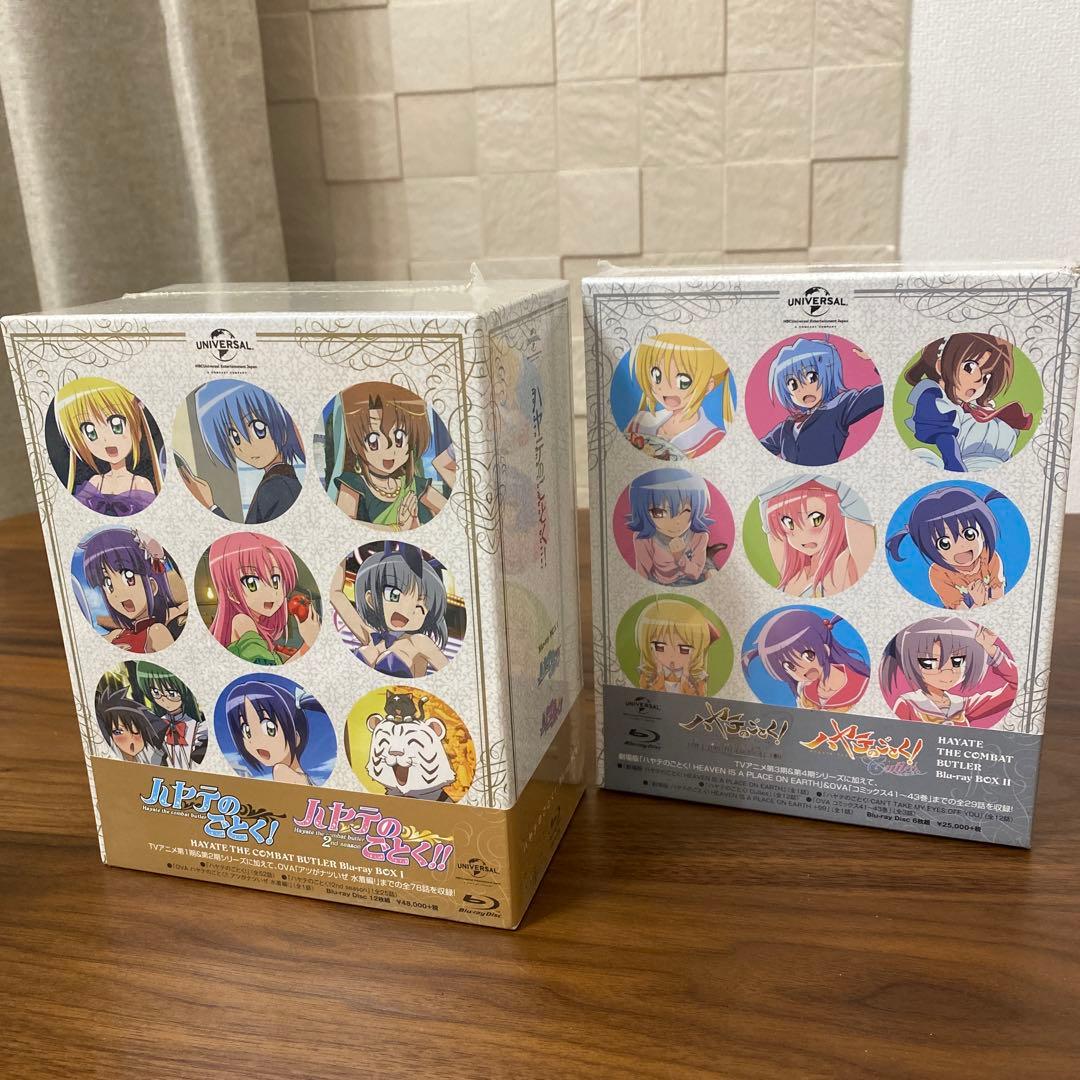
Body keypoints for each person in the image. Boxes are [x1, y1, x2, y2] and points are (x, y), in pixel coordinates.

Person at [904, 333, 1032, 471]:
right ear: (941, 366)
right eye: (969, 368)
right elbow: (945, 440)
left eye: (986, 377)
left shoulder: (975, 408)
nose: (978, 382)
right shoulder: (935, 400)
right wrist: (956, 468)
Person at [759, 337, 883, 466]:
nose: (803, 389)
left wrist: (875, 362)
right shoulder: (786, 427)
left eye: (811, 377)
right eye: (793, 384)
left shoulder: (839, 407)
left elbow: (880, 394)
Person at [55, 377, 162, 516]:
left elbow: (153, 517)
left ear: (136, 426)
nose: (105, 439)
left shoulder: (140, 484)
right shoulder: (95, 483)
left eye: (116, 425)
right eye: (90, 431)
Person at [624, 333, 735, 460]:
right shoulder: (639, 422)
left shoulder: (712, 438)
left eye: (683, 381)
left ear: (708, 387)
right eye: (656, 375)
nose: (665, 387)